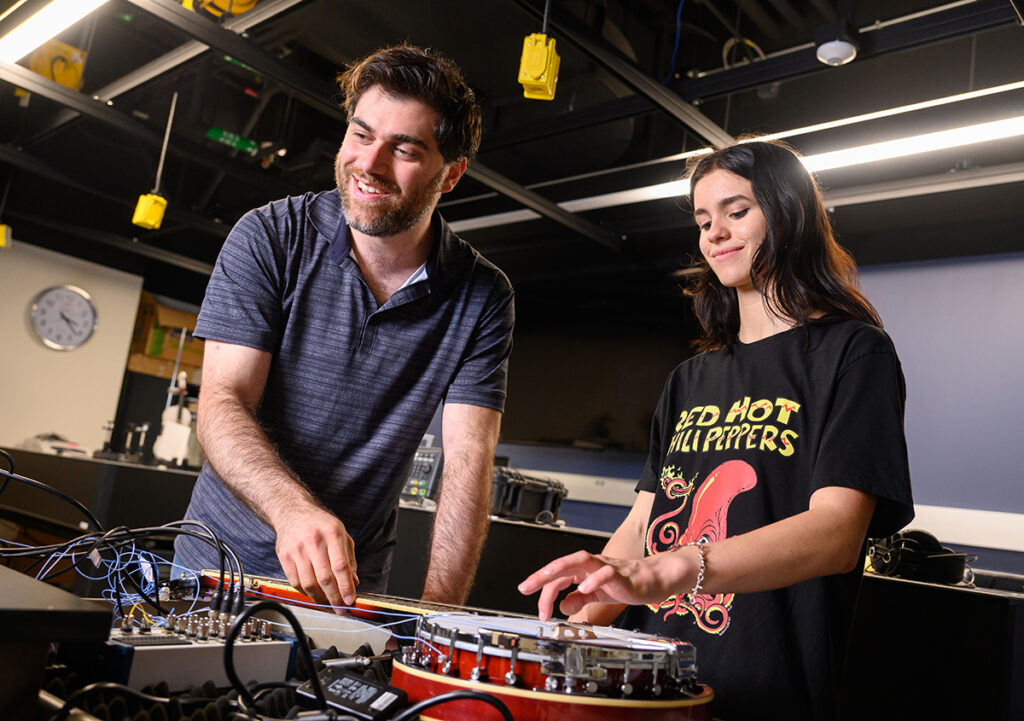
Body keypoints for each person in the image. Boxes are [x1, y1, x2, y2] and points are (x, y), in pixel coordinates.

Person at [519, 140, 913, 721]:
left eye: (736, 212)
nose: (714, 234)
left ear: (789, 213)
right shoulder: (689, 379)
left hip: (766, 689)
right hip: (648, 681)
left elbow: (836, 534)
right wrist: (571, 630)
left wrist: (670, 569)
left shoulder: (854, 355)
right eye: (704, 221)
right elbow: (642, 526)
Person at [174, 44, 514, 609]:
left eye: (403, 148)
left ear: (450, 174)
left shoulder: (481, 295)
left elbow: (468, 461)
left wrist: (438, 617)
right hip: (214, 571)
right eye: (361, 135)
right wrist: (294, 512)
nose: (370, 164)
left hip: (344, 596)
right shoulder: (270, 237)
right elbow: (221, 401)